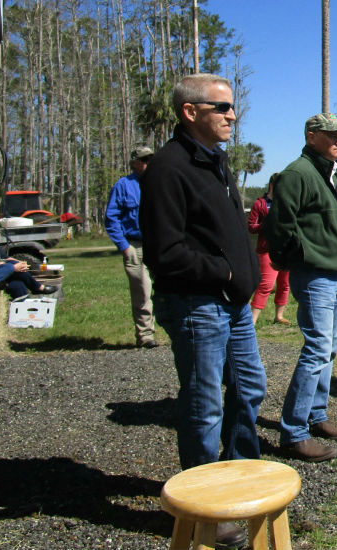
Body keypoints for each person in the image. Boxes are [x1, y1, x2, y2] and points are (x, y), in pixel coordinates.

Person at [139, 75, 265, 510]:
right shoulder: (167, 169)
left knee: (249, 388)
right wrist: (227, 272)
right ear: (190, 112)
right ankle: (204, 504)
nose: (232, 115)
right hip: (197, 305)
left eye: (232, 107)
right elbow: (165, 253)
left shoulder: (216, 161)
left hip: (230, 305)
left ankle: (243, 482)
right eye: (222, 108)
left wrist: (241, 274)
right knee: (204, 404)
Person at [264, 113, 337, 463]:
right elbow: (279, 227)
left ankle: (317, 416)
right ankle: (293, 432)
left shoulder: (335, 173)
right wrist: (298, 259)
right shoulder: (297, 174)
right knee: (317, 348)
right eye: (332, 135)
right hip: (315, 274)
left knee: (329, 348)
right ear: (311, 136)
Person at [104, 145, 157, 348]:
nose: (148, 164)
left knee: (165, 290)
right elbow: (111, 219)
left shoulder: (159, 183)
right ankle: (145, 336)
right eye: (144, 160)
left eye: (151, 159)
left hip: (158, 244)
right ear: (134, 163)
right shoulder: (123, 185)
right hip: (134, 245)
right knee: (143, 291)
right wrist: (124, 246)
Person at [0, 210, 54, 299]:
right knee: (10, 267)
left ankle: (24, 307)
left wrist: (18, 263)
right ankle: (37, 287)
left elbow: (3, 257)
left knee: (17, 283)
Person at [248, 173, 290, 326]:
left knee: (285, 284)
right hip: (267, 250)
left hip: (285, 248)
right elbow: (251, 227)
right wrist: (266, 225)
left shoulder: (286, 202)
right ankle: (252, 320)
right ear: (272, 185)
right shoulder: (260, 204)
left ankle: (279, 316)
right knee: (266, 284)